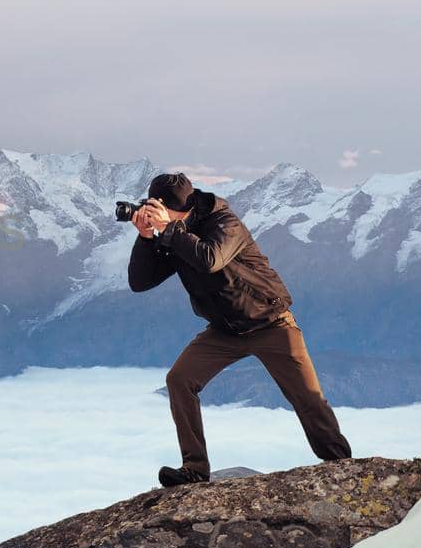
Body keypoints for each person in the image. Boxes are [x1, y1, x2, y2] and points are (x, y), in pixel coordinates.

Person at [126, 172, 352, 487]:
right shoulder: (173, 232)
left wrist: (168, 229)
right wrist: (146, 237)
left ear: (185, 207)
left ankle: (341, 466)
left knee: (308, 398)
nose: (157, 214)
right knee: (179, 380)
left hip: (271, 322)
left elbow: (209, 259)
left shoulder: (224, 222)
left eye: (163, 209)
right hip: (224, 330)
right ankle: (194, 469)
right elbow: (139, 282)